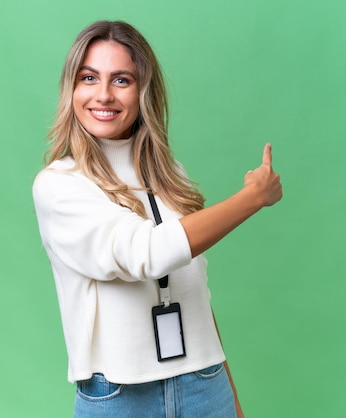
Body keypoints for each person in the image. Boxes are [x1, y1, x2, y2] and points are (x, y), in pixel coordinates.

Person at [32, 20, 282, 418]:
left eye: (121, 80)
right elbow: (145, 254)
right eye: (89, 77)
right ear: (72, 89)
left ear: (142, 91)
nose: (103, 94)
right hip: (120, 396)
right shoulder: (60, 185)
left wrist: (230, 396)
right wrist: (253, 197)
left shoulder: (170, 174)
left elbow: (194, 292)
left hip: (205, 383)